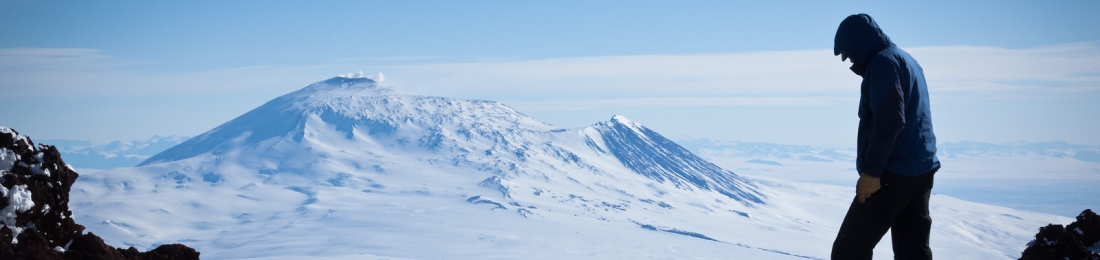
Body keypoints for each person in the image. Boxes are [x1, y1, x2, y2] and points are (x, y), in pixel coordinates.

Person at [830, 14, 941, 260]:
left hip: (893, 171)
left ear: (858, 43)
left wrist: (871, 174)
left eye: (847, 52)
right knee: (912, 249)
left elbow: (890, 120)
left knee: (849, 249)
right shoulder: (906, 59)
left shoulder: (883, 63)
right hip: (921, 169)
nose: (848, 60)